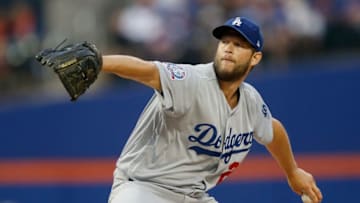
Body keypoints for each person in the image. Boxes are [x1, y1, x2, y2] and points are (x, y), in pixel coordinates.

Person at [102, 17, 323, 203]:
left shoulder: (250, 101)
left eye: (239, 44)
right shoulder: (192, 80)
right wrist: (99, 62)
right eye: (225, 41)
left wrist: (292, 171)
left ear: (255, 57)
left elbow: (273, 130)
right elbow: (147, 71)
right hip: (143, 189)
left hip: (192, 196)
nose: (228, 48)